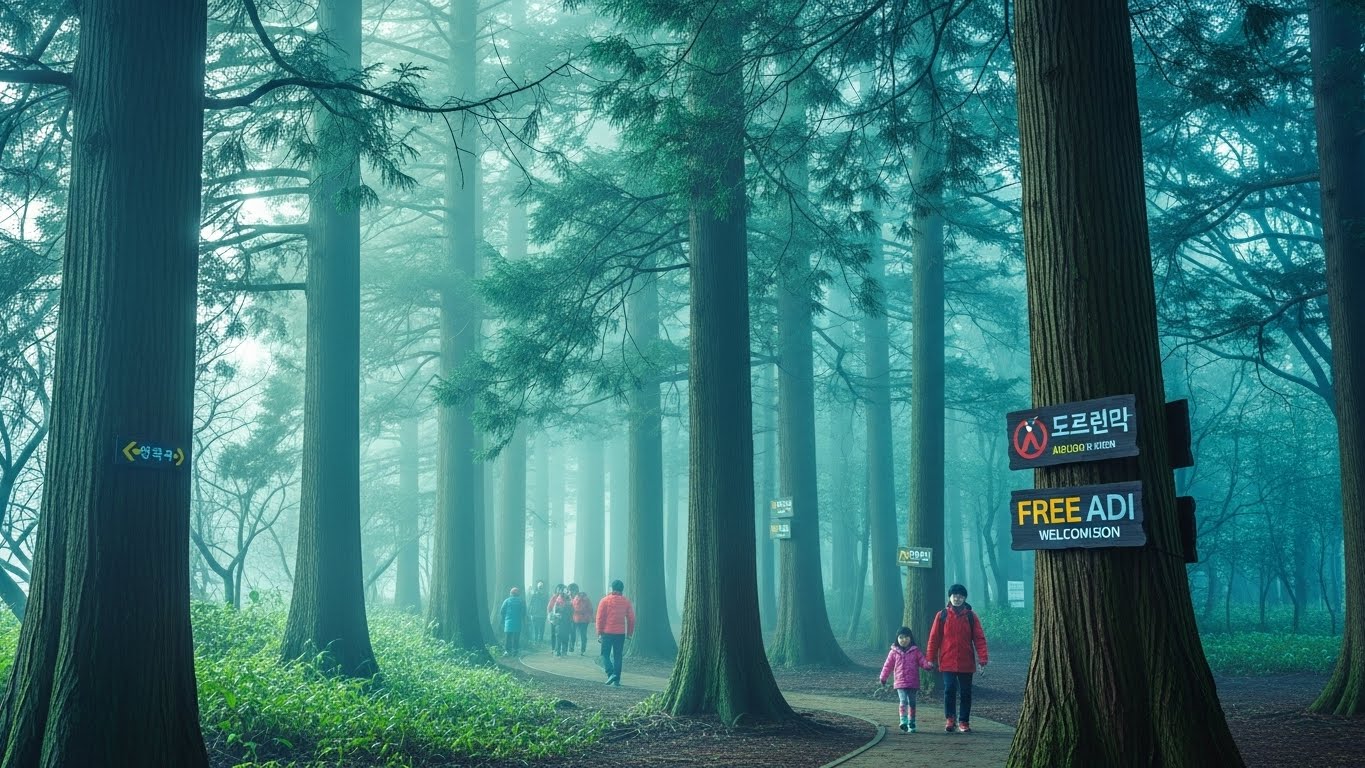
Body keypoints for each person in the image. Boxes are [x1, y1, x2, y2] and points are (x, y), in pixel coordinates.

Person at [926, 583, 989, 733]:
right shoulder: (942, 615)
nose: (957, 598)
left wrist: (983, 659)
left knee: (966, 692)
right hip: (947, 660)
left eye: (960, 596)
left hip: (966, 662)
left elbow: (979, 638)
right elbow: (934, 638)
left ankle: (964, 721)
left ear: (964, 598)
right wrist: (930, 658)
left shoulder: (971, 616)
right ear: (950, 597)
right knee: (949, 689)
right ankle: (950, 719)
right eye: (955, 595)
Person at [879, 626, 932, 733]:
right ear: (897, 639)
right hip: (900, 682)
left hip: (913, 682)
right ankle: (903, 721)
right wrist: (883, 677)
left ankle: (911, 722)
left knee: (912, 702)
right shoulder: (893, 652)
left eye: (906, 637)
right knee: (903, 701)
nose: (904, 640)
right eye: (901, 637)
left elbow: (922, 661)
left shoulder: (915, 651)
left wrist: (928, 666)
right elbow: (887, 666)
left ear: (910, 638)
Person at [595, 579, 635, 686]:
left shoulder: (604, 601)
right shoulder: (626, 601)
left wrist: (599, 632)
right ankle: (616, 679)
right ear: (622, 589)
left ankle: (610, 673)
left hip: (607, 633)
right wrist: (629, 633)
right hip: (620, 634)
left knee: (605, 654)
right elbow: (631, 618)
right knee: (618, 656)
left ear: (612, 588)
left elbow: (599, 618)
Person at [498, 587, 526, 656]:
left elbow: (502, 610)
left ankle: (507, 650)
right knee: (516, 637)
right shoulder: (521, 601)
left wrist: (504, 618)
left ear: (511, 593)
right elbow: (524, 612)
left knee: (508, 637)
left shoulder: (507, 601)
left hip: (508, 622)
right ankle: (515, 651)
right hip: (517, 622)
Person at [572, 589, 593, 656]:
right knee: (583, 635)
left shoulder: (575, 599)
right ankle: (582, 650)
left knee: (575, 633)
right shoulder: (587, 600)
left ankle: (573, 647)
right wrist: (589, 616)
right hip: (584, 620)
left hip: (576, 619)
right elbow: (590, 609)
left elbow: (572, 609)